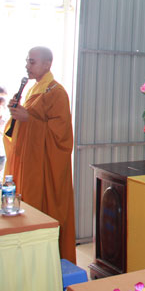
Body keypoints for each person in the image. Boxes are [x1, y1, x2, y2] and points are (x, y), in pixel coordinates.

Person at [3, 47, 76, 263]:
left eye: (32, 62)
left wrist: (29, 119)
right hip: (30, 164)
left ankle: (47, 262)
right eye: (27, 61)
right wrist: (17, 115)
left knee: (44, 211)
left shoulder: (57, 92)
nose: (27, 66)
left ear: (47, 64)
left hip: (45, 168)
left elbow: (62, 137)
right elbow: (23, 126)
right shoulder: (34, 90)